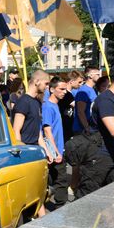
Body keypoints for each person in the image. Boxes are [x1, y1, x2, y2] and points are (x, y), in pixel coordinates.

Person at [76, 63, 114, 196]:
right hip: (100, 156)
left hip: (113, 153)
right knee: (86, 197)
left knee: (113, 197)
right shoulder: (106, 100)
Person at [12, 69, 51, 215]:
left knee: (38, 188)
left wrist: (46, 150)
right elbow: (16, 131)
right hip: (26, 152)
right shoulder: (23, 102)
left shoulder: (36, 102)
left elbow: (38, 131)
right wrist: (22, 154)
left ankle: (41, 216)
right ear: (37, 81)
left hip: (36, 151)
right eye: (46, 83)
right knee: (30, 189)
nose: (47, 87)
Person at [43, 77, 70, 209]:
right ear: (52, 89)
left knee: (55, 179)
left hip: (58, 149)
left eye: (65, 89)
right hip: (54, 151)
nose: (64, 92)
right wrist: (56, 151)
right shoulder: (48, 107)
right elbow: (47, 131)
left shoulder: (55, 105)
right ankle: (61, 207)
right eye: (61, 89)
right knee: (61, 180)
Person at [73, 66, 101, 135]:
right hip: (82, 131)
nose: (99, 76)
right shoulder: (83, 90)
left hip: (90, 129)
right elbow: (80, 111)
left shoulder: (92, 89)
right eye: (97, 74)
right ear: (90, 76)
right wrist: (87, 128)